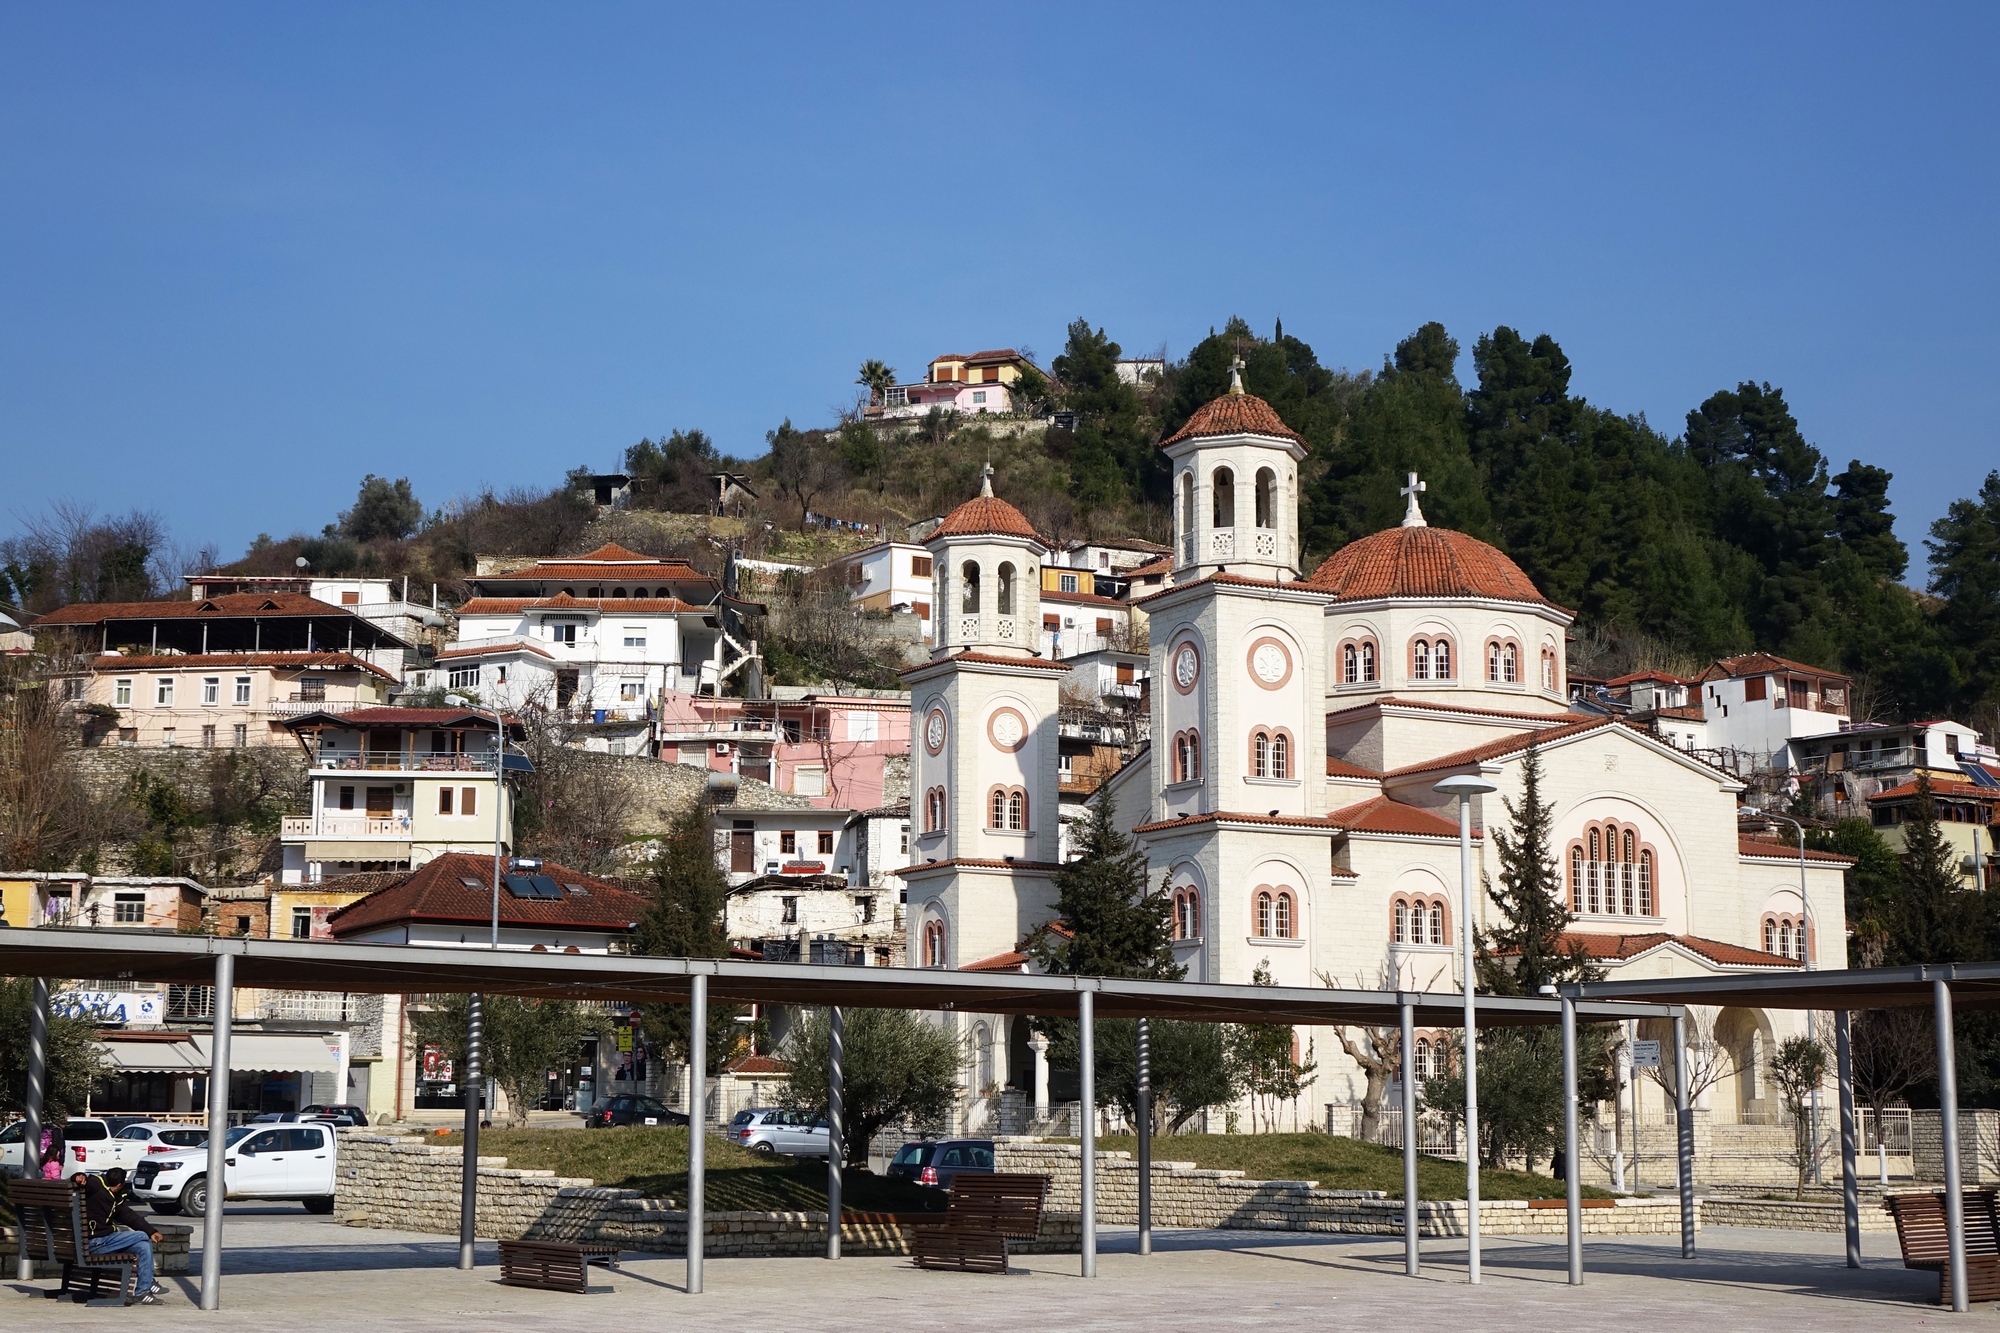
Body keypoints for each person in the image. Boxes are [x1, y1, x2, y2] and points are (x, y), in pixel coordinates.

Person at [75, 1168, 166, 1305]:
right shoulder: (96, 1184)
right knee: (141, 1235)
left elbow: (128, 1216)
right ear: (119, 1184)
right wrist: (77, 1176)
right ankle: (148, 1282)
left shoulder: (114, 1197)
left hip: (102, 1241)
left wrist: (151, 1231)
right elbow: (85, 1182)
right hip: (94, 1243)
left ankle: (143, 1291)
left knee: (143, 1245)